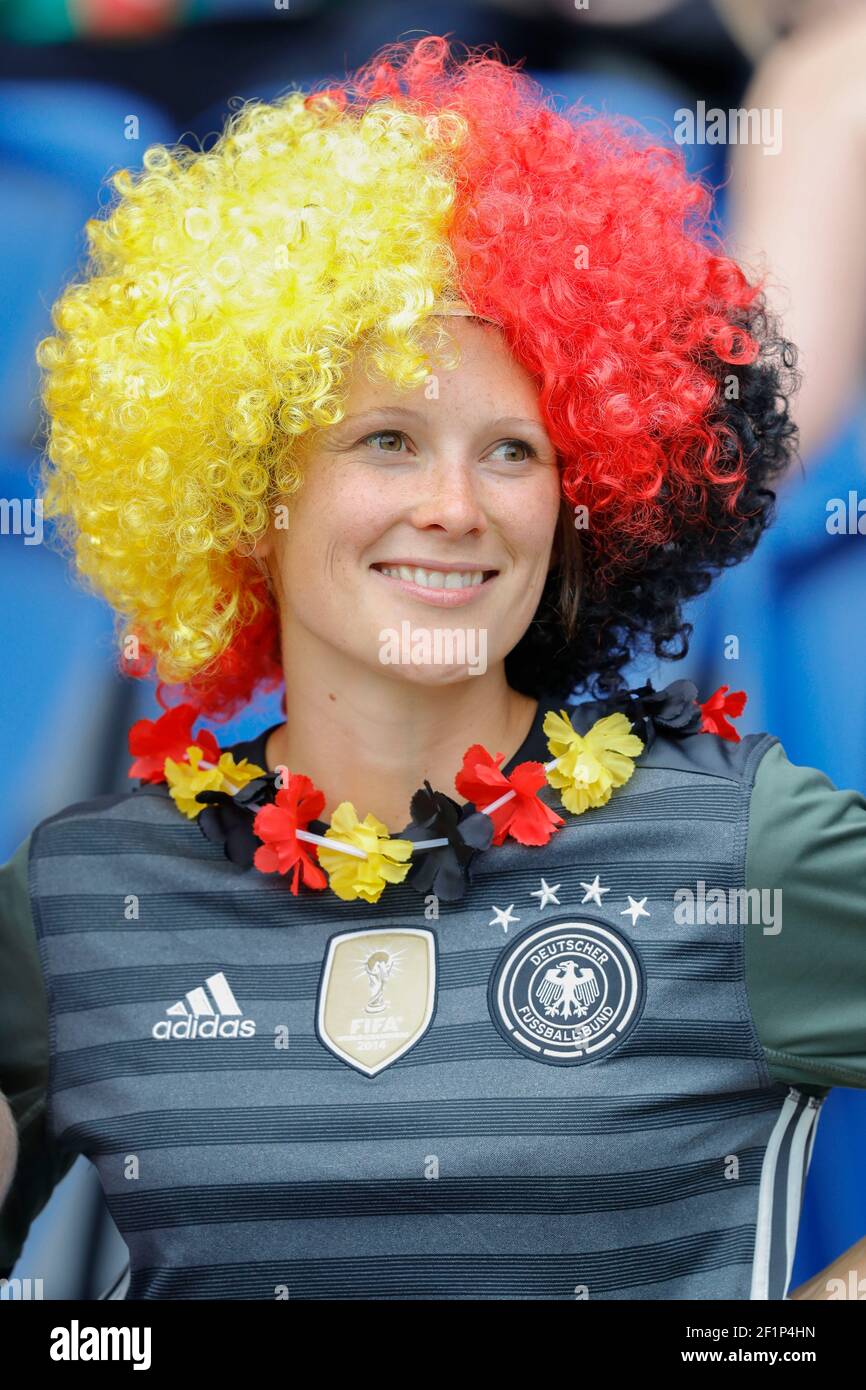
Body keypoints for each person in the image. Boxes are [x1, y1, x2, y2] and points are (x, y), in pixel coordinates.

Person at [1, 35, 864, 1302]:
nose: (454, 505)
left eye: (512, 450)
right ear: (249, 483)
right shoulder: (80, 898)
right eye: (388, 439)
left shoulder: (743, 848)